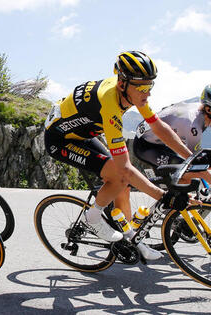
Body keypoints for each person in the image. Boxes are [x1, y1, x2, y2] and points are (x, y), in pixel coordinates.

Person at [44, 51, 192, 260]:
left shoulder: (130, 91)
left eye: (150, 86)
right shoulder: (110, 102)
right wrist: (162, 196)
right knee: (119, 175)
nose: (147, 92)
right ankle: (92, 218)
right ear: (122, 84)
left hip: (83, 134)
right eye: (142, 87)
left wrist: (190, 157)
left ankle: (131, 239)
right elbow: (125, 168)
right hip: (60, 140)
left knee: (123, 186)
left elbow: (159, 127)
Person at [133, 84, 211, 184]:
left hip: (161, 142)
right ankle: (134, 184)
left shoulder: (198, 111)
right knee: (190, 176)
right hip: (146, 146)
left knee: (191, 173)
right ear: (208, 109)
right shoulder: (193, 126)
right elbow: (196, 162)